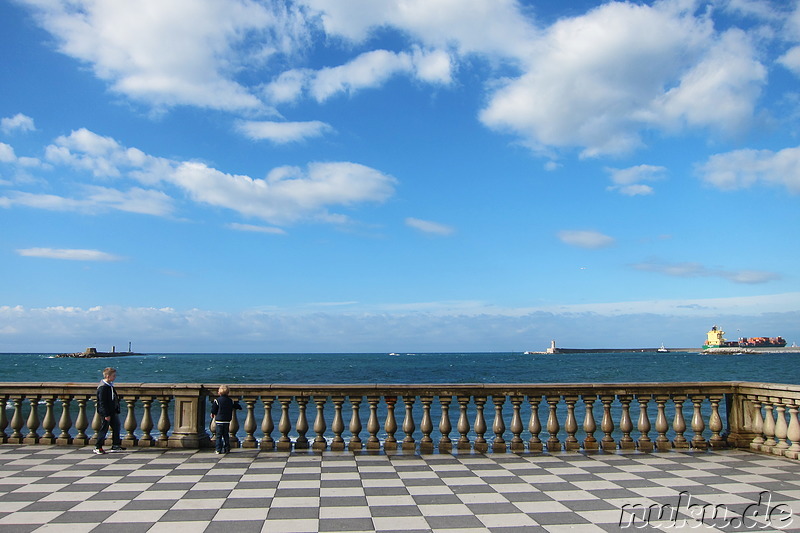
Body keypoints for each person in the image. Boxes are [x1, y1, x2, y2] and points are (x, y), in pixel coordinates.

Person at [94, 367, 124, 454]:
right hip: (106, 412)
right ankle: (98, 446)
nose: (115, 377)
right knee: (104, 429)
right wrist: (106, 414)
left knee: (116, 427)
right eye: (113, 376)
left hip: (112, 411)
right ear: (107, 376)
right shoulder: (103, 387)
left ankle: (116, 445)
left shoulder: (109, 385)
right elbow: (102, 402)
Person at [210, 385, 241, 454]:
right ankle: (227, 448)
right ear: (228, 393)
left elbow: (214, 409)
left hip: (219, 420)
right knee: (226, 435)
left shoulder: (217, 401)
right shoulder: (230, 400)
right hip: (227, 420)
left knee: (218, 436)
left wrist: (212, 413)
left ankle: (218, 449)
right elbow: (236, 406)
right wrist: (239, 407)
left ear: (219, 393)